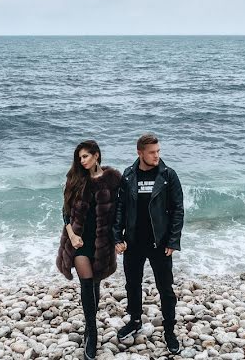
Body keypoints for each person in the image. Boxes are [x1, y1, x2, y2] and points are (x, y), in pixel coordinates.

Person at [112, 133, 185, 354]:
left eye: (158, 151)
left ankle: (169, 330)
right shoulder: (128, 176)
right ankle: (135, 320)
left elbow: (178, 210)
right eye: (152, 152)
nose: (156, 156)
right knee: (132, 285)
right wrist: (117, 236)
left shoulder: (168, 175)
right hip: (133, 242)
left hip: (160, 243)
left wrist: (173, 240)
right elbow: (120, 209)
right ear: (140, 152)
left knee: (166, 289)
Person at [56, 140, 122, 360]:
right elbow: (65, 212)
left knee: (95, 281)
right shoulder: (75, 179)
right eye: (79, 157)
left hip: (101, 241)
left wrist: (120, 238)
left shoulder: (112, 179)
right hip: (79, 240)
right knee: (86, 279)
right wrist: (73, 236)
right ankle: (91, 333)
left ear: (96, 155)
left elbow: (121, 212)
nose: (81, 161)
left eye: (85, 156)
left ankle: (89, 324)